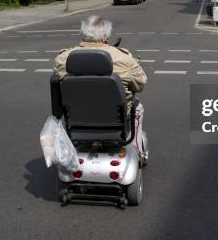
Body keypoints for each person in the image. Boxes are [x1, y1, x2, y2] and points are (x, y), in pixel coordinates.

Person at [54, 15, 148, 156]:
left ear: (83, 33)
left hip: (77, 121)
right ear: (106, 36)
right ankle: (138, 153)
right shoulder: (125, 59)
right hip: (116, 122)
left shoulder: (62, 59)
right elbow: (140, 84)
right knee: (138, 108)